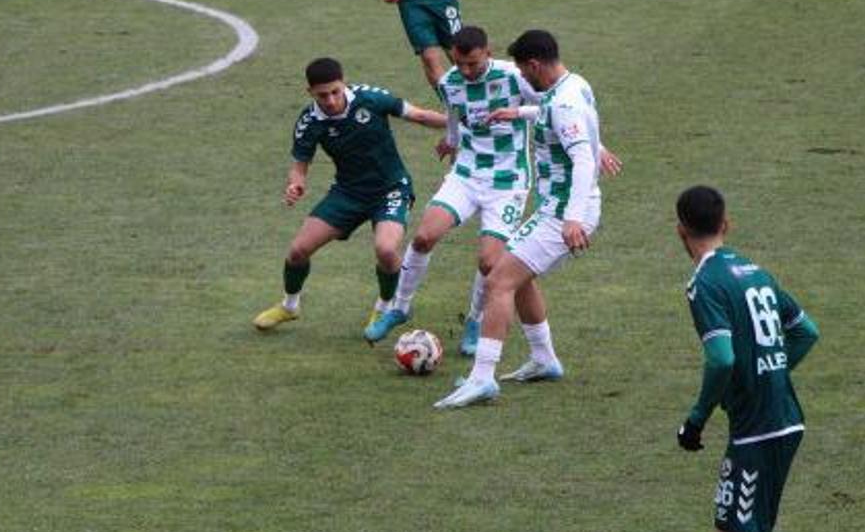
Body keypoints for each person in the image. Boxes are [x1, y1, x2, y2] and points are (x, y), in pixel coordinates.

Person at [671, 185, 865, 532]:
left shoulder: (705, 284)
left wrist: (696, 420)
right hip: (783, 417)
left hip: (758, 429)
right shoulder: (756, 272)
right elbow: (805, 331)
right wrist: (771, 372)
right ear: (726, 224)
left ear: (680, 232)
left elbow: (721, 359)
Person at [365, 26, 623, 357]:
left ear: (488, 53)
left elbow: (555, 108)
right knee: (424, 237)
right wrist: (452, 141)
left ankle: (475, 321)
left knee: (490, 262)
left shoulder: (516, 77)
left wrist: (594, 144)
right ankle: (399, 307)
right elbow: (455, 116)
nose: (466, 71)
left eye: (472, 63)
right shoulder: (451, 83)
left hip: (508, 179)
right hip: (467, 173)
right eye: (459, 63)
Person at [435, 29, 609, 408]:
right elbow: (557, 115)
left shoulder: (563, 105)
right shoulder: (572, 85)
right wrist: (521, 111)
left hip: (561, 214)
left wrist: (573, 219)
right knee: (519, 273)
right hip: (555, 209)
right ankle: (544, 359)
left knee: (498, 279)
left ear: (534, 64)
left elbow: (581, 158)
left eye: (522, 71)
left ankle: (482, 378)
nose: (521, 79)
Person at [252, 58, 447, 332]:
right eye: (322, 95)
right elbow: (299, 166)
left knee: (387, 250)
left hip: (391, 188)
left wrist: (458, 124)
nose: (330, 100)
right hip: (348, 192)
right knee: (298, 251)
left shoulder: (371, 99)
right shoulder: (309, 122)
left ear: (344, 83)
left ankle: (385, 307)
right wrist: (295, 185)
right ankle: (289, 306)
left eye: (335, 91)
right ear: (310, 92)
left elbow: (419, 115)